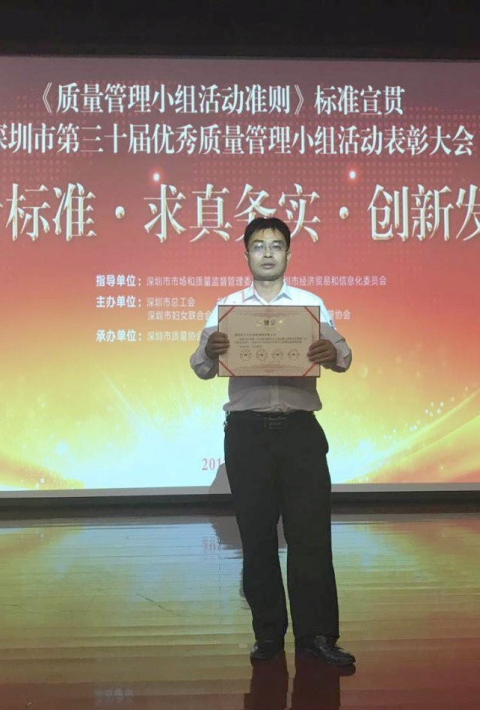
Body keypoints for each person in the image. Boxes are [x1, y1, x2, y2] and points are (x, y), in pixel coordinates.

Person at [190, 216, 355, 667]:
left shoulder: (309, 305)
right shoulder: (227, 308)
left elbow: (344, 356)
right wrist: (209, 350)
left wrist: (331, 352)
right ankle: (267, 636)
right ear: (246, 254)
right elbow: (200, 367)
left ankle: (317, 637)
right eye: (259, 245)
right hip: (247, 434)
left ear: (288, 254)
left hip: (300, 433)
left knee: (311, 538)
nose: (267, 253)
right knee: (257, 538)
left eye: (276, 245)